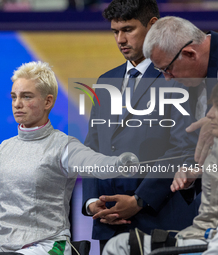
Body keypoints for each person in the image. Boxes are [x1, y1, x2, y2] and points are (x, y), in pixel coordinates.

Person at [0, 61, 137, 255]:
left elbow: (94, 163)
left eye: (27, 96)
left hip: (49, 246)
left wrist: (119, 164)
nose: (17, 104)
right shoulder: (3, 150)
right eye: (14, 97)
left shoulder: (63, 146)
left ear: (48, 101)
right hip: (4, 247)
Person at [82, 1, 199, 253]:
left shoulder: (176, 76)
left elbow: (184, 149)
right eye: (115, 32)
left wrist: (139, 200)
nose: (120, 39)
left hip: (160, 222)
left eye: (128, 29)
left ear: (153, 26)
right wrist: (93, 203)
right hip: (109, 223)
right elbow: (91, 148)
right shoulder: (106, 80)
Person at [103, 83, 218, 255]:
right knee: (118, 245)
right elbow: (207, 218)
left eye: (217, 106)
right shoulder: (214, 153)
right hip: (206, 239)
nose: (209, 114)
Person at [143, 16, 217, 169]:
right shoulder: (192, 78)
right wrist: (189, 169)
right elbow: (192, 147)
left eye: (167, 69)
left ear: (190, 54)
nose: (168, 78)